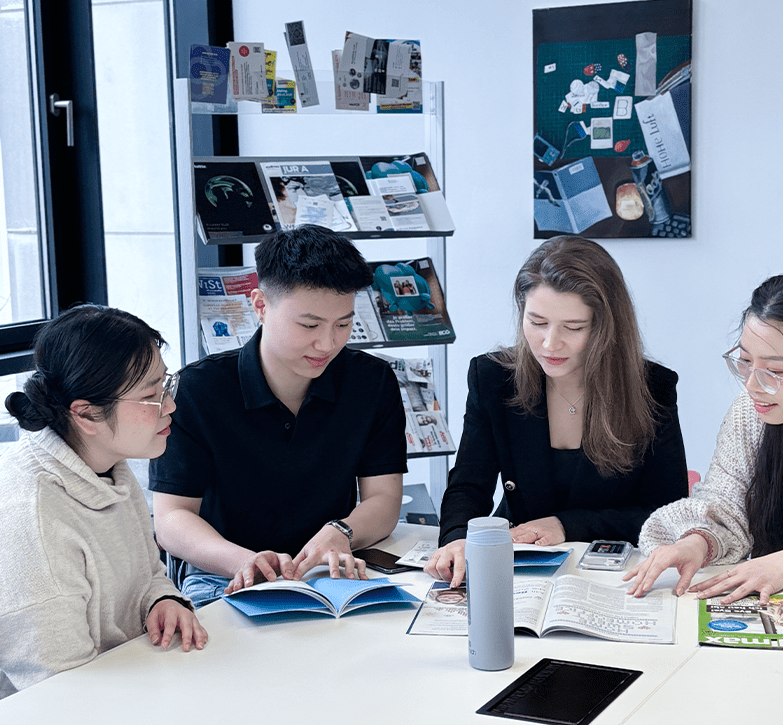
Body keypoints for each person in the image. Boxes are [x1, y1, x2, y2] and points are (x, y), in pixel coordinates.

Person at [150, 225, 407, 606]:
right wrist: (244, 561)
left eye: (343, 324)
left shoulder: (372, 381)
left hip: (331, 566)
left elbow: (384, 498)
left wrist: (343, 531)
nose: (327, 343)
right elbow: (171, 520)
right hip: (223, 570)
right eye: (309, 325)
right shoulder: (198, 390)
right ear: (260, 306)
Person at [424, 236, 688, 586]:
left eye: (573, 328)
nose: (550, 344)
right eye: (537, 322)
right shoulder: (493, 378)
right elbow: (468, 486)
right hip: (519, 567)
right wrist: (457, 538)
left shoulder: (652, 387)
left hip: (613, 575)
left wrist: (567, 524)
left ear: (605, 327)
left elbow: (667, 512)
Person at [0, 305, 207, 699]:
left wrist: (162, 600)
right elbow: (62, 692)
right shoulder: (35, 520)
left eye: (166, 385)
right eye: (151, 395)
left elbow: (148, 573)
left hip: (127, 682)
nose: (170, 406)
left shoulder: (106, 465)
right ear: (87, 414)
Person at [626, 274, 783, 605]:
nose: (751, 385)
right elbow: (725, 501)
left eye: (775, 372)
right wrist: (696, 543)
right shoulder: (750, 412)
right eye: (746, 362)